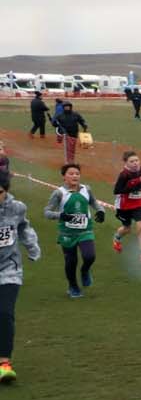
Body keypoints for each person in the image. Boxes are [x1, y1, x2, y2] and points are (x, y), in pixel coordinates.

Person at [0, 174, 41, 383]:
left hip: (9, 269)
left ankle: (4, 363)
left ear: (5, 190)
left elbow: (24, 227)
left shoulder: (17, 208)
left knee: (5, 313)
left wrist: (32, 247)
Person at [45, 162, 104, 299]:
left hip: (85, 230)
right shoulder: (59, 193)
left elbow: (94, 202)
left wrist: (100, 211)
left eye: (77, 173)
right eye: (71, 173)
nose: (75, 176)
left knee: (90, 256)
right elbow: (47, 212)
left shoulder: (86, 189)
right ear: (64, 177)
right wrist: (61, 215)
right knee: (71, 261)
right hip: (67, 233)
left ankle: (85, 271)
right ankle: (73, 287)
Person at [109, 150, 141, 265]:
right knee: (127, 229)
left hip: (138, 203)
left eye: (137, 160)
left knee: (140, 225)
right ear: (126, 163)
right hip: (124, 205)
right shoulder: (124, 175)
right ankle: (116, 238)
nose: (135, 163)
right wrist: (132, 187)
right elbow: (117, 191)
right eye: (132, 161)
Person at [52, 101, 87, 166]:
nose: (67, 108)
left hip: (73, 133)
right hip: (65, 134)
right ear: (63, 107)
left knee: (72, 147)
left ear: (71, 107)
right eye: (65, 107)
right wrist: (54, 123)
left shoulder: (75, 114)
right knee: (68, 147)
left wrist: (84, 125)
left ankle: (70, 160)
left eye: (68, 106)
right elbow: (55, 124)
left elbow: (81, 120)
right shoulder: (60, 115)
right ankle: (69, 161)